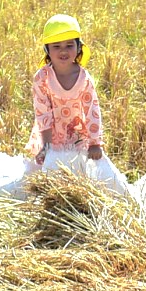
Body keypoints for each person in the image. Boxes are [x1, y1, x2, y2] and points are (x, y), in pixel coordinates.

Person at [26, 13, 130, 196]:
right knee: (49, 176)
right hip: (50, 134)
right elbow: (42, 113)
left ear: (79, 47)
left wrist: (95, 143)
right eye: (56, 46)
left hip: (76, 134)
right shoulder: (41, 78)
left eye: (69, 45)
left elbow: (92, 111)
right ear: (47, 49)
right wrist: (46, 146)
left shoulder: (84, 79)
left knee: (78, 177)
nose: (63, 51)